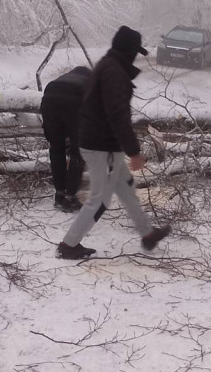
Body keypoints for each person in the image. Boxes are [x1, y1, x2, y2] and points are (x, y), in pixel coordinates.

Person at [57, 25, 171, 259]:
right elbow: (117, 113)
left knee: (126, 190)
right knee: (99, 199)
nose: (136, 57)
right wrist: (134, 151)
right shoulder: (114, 72)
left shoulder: (109, 66)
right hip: (102, 146)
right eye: (135, 52)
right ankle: (69, 245)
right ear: (129, 49)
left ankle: (147, 234)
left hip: (105, 144)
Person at [41, 66, 92, 212]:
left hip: (49, 100)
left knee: (56, 147)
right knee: (79, 151)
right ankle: (70, 197)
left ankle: (59, 194)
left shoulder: (61, 79)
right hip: (74, 102)